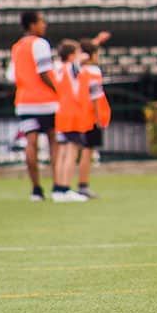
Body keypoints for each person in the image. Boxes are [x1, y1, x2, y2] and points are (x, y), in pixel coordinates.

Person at [9, 10, 59, 201]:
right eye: (41, 21)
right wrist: (58, 90)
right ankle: (58, 185)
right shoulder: (40, 44)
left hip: (24, 102)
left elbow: (11, 75)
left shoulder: (17, 47)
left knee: (31, 144)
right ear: (32, 25)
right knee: (54, 142)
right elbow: (44, 71)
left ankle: (36, 189)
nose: (44, 25)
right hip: (46, 102)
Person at [68, 37, 112, 199]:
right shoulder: (94, 71)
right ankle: (83, 185)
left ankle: (64, 185)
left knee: (71, 151)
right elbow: (95, 96)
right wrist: (99, 117)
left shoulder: (75, 71)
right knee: (87, 151)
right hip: (90, 116)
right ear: (92, 55)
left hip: (76, 114)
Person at [52, 39, 89, 203]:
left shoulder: (57, 67)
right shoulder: (70, 68)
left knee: (62, 151)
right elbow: (82, 60)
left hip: (60, 112)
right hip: (72, 113)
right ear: (72, 55)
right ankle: (66, 188)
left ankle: (58, 188)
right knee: (72, 151)